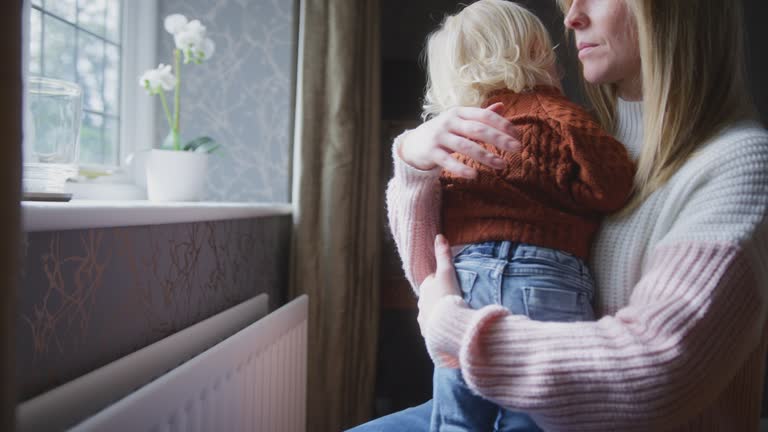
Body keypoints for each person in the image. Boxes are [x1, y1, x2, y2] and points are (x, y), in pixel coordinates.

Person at [349, 0, 768, 430]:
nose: (571, 19)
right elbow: (432, 276)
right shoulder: (588, 143)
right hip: (504, 391)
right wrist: (415, 164)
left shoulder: (738, 164)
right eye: (569, 1)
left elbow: (653, 372)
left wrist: (454, 326)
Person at [388, 1, 634, 430]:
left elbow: (426, 232)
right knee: (533, 418)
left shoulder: (452, 136)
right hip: (544, 278)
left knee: (456, 419)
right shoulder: (560, 117)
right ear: (541, 52)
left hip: (463, 283)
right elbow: (611, 186)